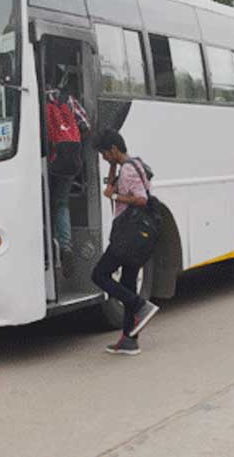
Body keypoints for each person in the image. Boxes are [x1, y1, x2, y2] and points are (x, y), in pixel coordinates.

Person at [91, 129, 160, 356]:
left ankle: (140, 305)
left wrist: (114, 197)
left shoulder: (128, 170)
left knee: (99, 274)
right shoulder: (134, 163)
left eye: (104, 154)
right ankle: (129, 340)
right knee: (128, 282)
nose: (103, 158)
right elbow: (111, 187)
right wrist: (112, 168)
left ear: (113, 149)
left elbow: (141, 198)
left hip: (127, 234)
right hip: (137, 235)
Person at [45, 70, 90, 274]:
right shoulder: (67, 99)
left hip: (48, 161)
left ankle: (48, 244)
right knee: (62, 203)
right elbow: (85, 125)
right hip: (70, 161)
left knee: (45, 203)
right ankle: (65, 246)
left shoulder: (36, 99)